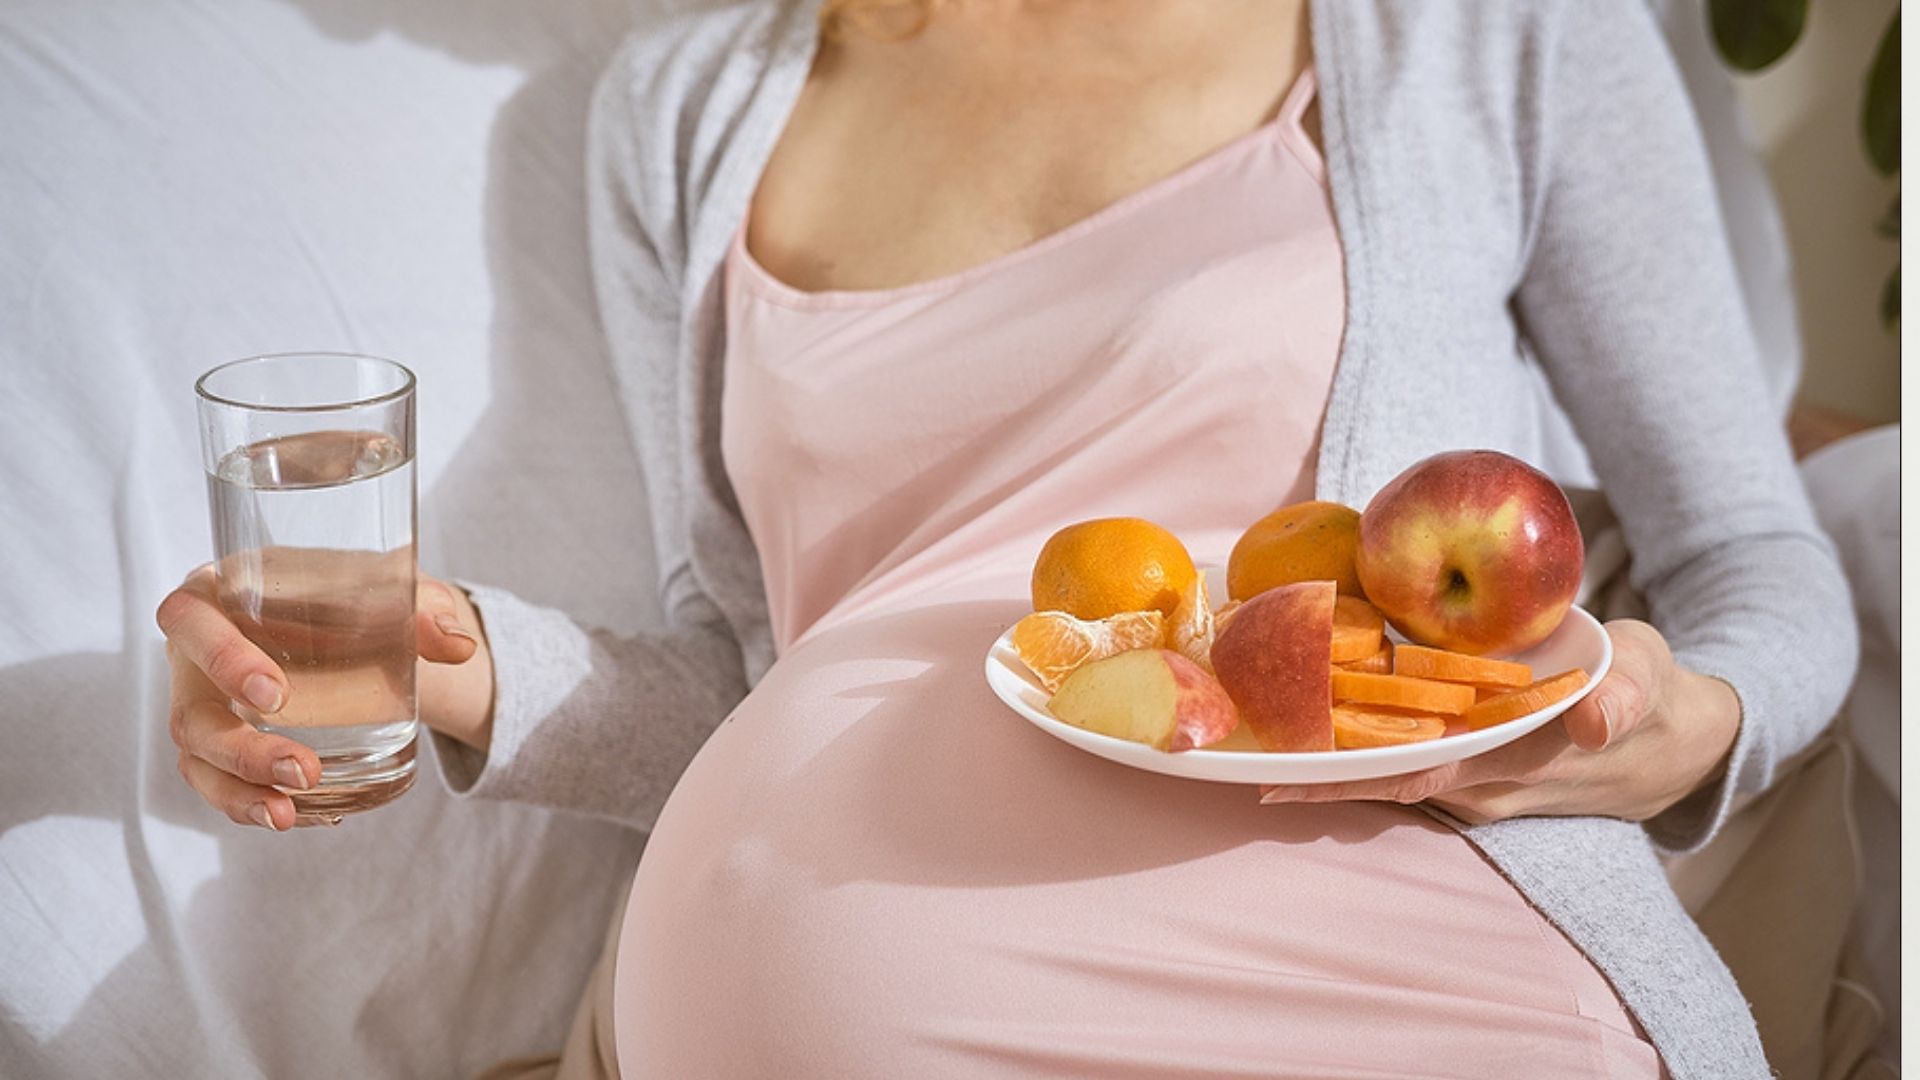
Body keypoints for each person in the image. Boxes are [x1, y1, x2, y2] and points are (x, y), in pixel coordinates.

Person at [155, 0, 1859, 1075]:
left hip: (1401, 940)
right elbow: (762, 672)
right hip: (810, 961)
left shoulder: (1483, 30)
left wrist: (1698, 726)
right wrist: (446, 658)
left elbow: (1749, 561)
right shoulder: (680, 107)